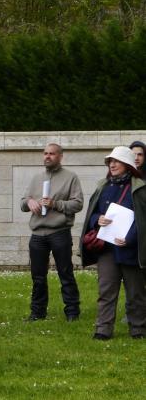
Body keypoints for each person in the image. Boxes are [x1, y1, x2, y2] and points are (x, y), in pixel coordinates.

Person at [81, 146, 146, 340]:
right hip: (107, 249)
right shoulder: (103, 186)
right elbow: (92, 215)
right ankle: (103, 330)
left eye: (116, 161)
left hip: (130, 249)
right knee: (106, 291)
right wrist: (97, 220)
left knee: (135, 293)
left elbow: (142, 219)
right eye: (110, 161)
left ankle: (138, 330)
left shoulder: (140, 188)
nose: (112, 164)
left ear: (127, 164)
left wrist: (130, 238)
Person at [20, 143, 83, 322]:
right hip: (38, 234)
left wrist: (56, 204)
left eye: (52, 154)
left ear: (60, 156)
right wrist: (29, 202)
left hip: (59, 232)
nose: (47, 156)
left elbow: (78, 204)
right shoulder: (36, 178)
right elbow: (23, 202)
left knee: (65, 272)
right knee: (38, 276)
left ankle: (72, 312)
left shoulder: (71, 177)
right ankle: (37, 312)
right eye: (45, 153)